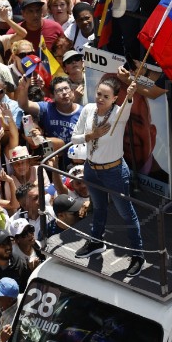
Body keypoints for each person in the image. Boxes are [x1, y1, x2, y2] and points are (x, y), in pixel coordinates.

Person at [70, 77, 144, 277]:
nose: (101, 99)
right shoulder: (88, 110)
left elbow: (128, 103)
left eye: (106, 96)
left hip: (114, 172)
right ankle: (96, 241)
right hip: (91, 168)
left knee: (126, 212)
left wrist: (130, 94)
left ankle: (138, 254)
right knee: (99, 207)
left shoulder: (118, 114)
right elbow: (74, 137)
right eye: (99, 94)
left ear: (114, 99)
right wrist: (90, 136)